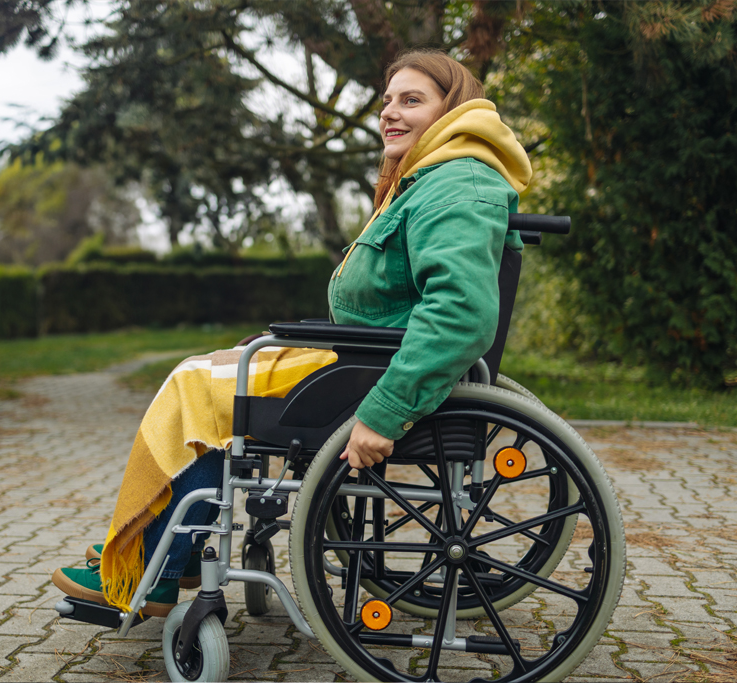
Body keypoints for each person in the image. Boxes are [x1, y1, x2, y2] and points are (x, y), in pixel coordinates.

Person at [51, 48, 532, 617]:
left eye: (412, 100)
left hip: (372, 376)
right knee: (213, 374)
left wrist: (383, 414)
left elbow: (459, 314)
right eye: (387, 101)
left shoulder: (456, 182)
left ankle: (152, 568)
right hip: (361, 359)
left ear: (452, 109)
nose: (390, 114)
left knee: (196, 388)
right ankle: (164, 554)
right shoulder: (437, 176)